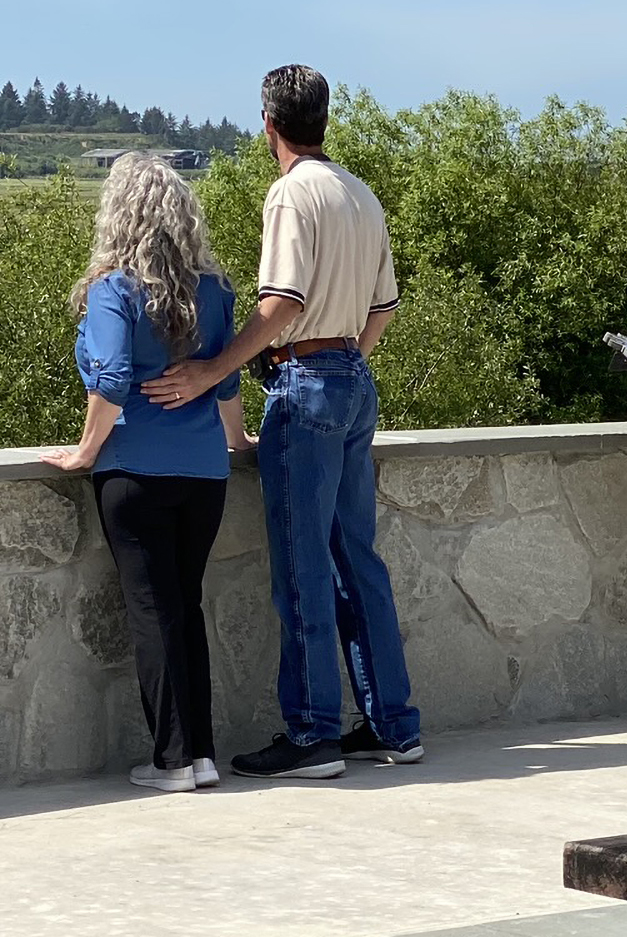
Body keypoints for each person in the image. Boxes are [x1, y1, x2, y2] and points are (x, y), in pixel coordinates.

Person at [143, 63, 421, 780]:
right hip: (354, 380)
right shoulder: (361, 193)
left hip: (308, 384)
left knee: (302, 567)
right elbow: (384, 307)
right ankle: (393, 724)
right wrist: (346, 362)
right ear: (323, 118)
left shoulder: (291, 194)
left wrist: (212, 370)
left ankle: (312, 733)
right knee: (359, 560)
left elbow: (282, 303)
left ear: (268, 123)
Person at [40, 152, 253, 794]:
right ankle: (202, 755)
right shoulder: (214, 291)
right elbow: (226, 381)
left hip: (134, 470)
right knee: (184, 606)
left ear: (118, 215)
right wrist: (239, 441)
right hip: (205, 475)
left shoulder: (113, 291)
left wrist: (84, 452)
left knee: (151, 611)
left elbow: (109, 378)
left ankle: (172, 761)